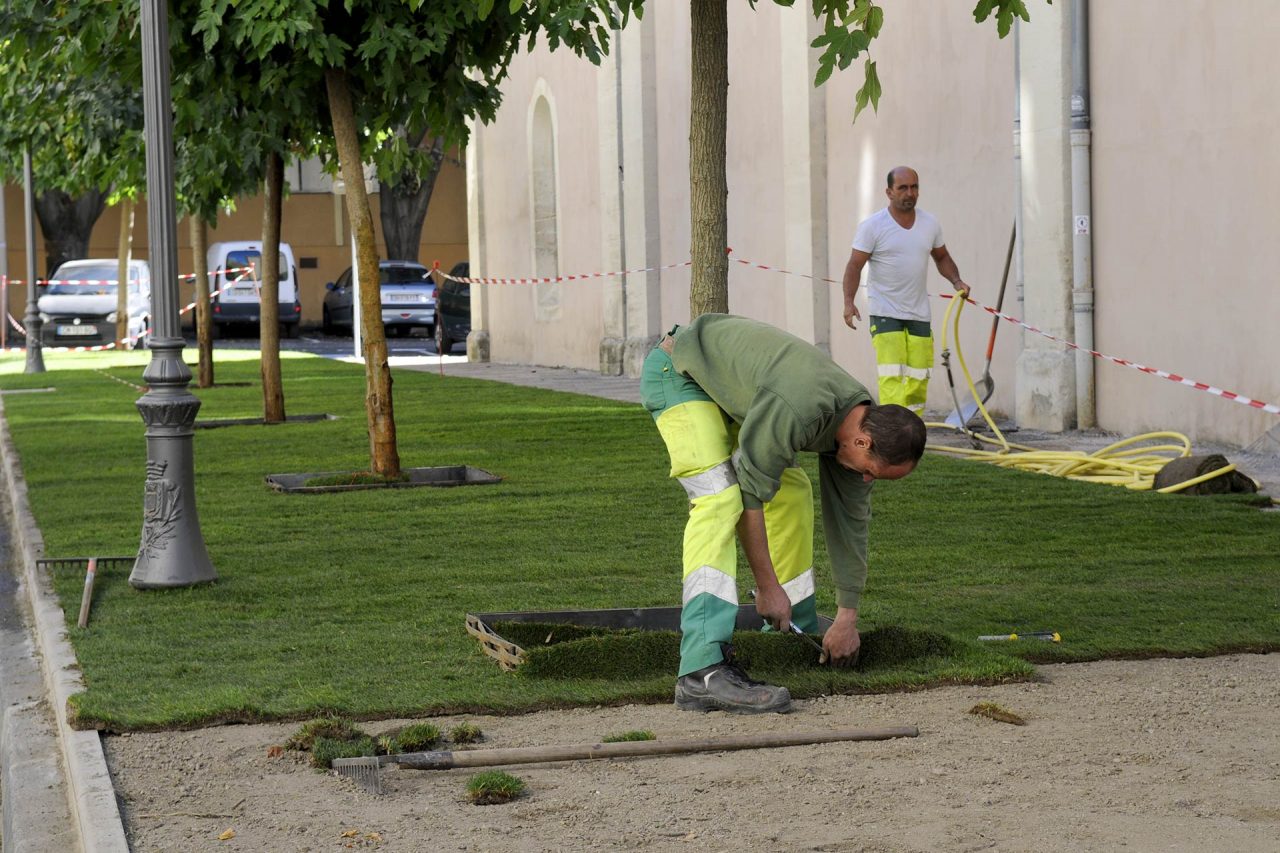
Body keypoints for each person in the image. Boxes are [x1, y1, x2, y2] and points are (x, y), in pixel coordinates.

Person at [640, 314, 926, 714]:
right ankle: (701, 671)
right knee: (721, 498)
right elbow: (751, 493)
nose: (865, 481)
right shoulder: (802, 406)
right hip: (680, 373)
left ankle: (794, 630)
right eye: (870, 472)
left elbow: (851, 523)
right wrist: (767, 587)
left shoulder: (856, 420)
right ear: (863, 442)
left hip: (732, 392)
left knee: (792, 491)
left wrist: (847, 618)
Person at [842, 166, 972, 416]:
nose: (909, 193)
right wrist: (849, 302)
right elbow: (854, 265)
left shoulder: (929, 223)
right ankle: (893, 431)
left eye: (914, 187)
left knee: (919, 377)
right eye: (903, 188)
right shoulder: (873, 226)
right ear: (889, 192)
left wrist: (957, 282)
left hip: (919, 314)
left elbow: (942, 257)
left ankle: (914, 430)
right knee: (892, 377)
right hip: (885, 312)